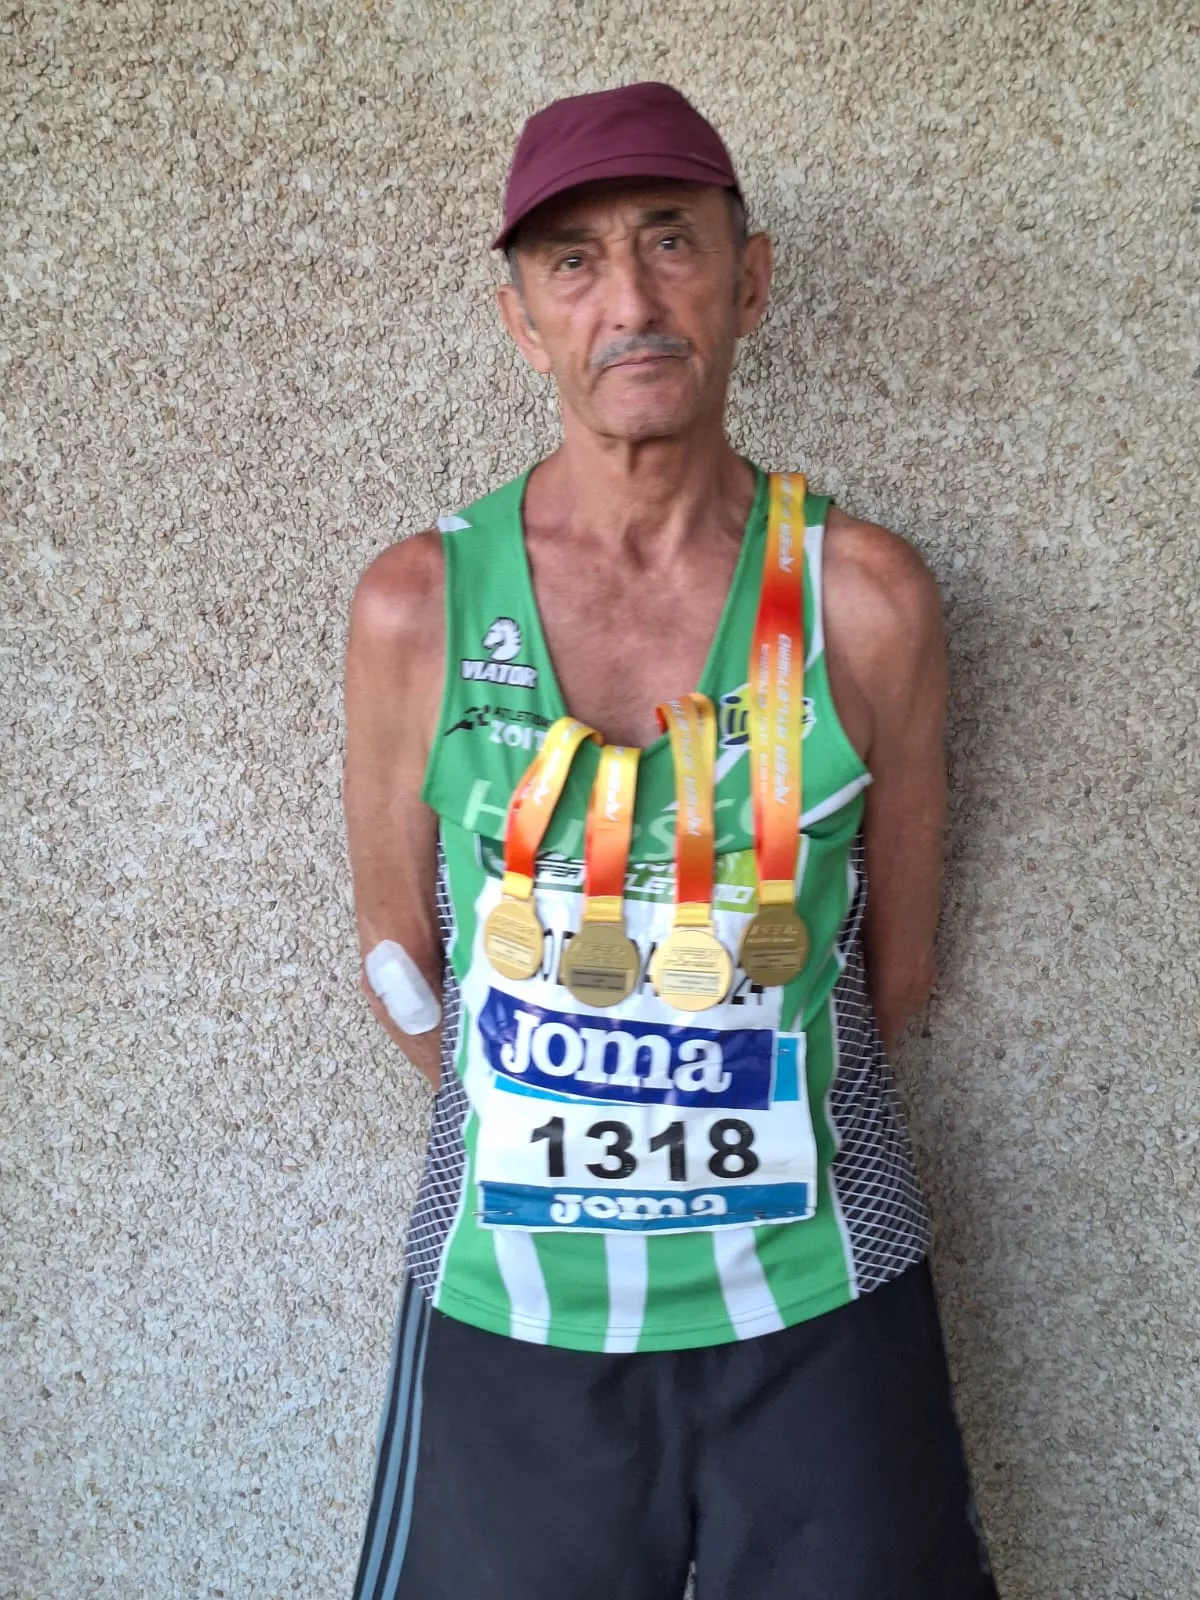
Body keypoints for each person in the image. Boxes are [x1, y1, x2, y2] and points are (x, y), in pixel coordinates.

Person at [343, 80, 998, 1600]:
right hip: (513, 1311)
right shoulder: (417, 607)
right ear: (521, 321)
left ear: (749, 280)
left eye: (670, 244)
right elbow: (394, 953)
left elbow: (890, 974)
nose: (628, 299)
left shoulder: (868, 602)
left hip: (823, 1303)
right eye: (572, 262)